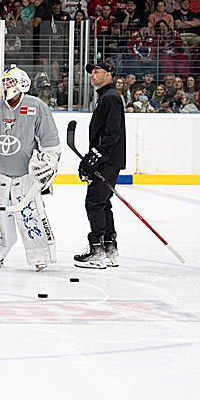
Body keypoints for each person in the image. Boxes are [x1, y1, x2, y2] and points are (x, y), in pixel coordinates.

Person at [0, 65, 60, 271]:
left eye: (11, 81)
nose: (7, 85)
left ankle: (39, 255)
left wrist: (50, 160)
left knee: (30, 216)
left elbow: (50, 142)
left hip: (25, 173)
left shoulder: (37, 106)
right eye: (5, 82)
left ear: (23, 83)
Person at [75, 60, 125, 268]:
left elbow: (113, 132)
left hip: (108, 160)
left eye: (97, 72)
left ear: (109, 74)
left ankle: (96, 249)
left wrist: (97, 156)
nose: (92, 75)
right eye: (91, 72)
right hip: (108, 159)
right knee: (103, 202)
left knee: (94, 202)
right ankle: (109, 248)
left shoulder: (111, 97)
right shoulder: (105, 97)